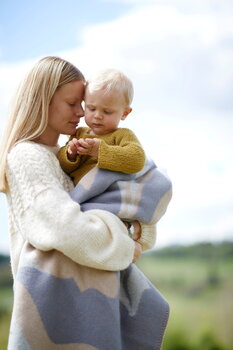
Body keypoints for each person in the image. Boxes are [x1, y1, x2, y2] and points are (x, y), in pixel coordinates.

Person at [0, 56, 170, 350]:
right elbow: (69, 230)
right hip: (53, 310)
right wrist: (130, 244)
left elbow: (144, 227)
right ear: (42, 101)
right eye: (73, 104)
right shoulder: (28, 156)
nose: (82, 114)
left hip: (85, 301)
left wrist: (135, 231)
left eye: (84, 105)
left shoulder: (67, 154)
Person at [57, 68, 146, 185]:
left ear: (124, 113)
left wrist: (99, 150)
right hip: (83, 195)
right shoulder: (79, 134)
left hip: (109, 195)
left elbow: (137, 160)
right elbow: (63, 168)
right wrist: (70, 154)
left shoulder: (123, 135)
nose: (97, 116)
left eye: (107, 111)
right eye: (91, 108)